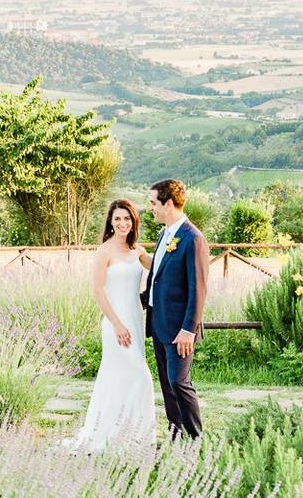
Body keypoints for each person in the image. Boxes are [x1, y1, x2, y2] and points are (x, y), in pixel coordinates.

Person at [59, 199, 155, 451]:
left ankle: (134, 437)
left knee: (129, 377)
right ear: (111, 223)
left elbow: (159, 266)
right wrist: (116, 324)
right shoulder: (104, 251)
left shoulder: (137, 250)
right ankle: (109, 434)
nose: (122, 223)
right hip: (116, 323)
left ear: (134, 221)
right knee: (137, 375)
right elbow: (98, 290)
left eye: (127, 218)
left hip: (135, 319)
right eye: (117, 219)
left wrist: (178, 250)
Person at [141, 179, 209, 440]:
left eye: (153, 203)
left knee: (179, 382)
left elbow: (198, 288)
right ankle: (176, 437)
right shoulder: (164, 234)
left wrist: (188, 330)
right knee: (168, 385)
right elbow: (159, 273)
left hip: (180, 330)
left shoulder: (193, 239)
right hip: (159, 324)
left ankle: (195, 440)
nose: (151, 208)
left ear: (168, 204)